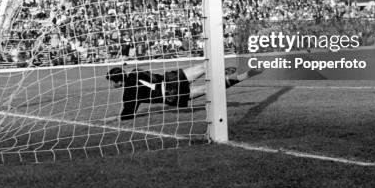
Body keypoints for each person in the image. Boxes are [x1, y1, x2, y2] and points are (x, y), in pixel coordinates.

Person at [106, 63, 263, 121]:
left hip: (170, 97)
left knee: (210, 90)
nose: (112, 85)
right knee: (203, 67)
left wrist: (111, 119)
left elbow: (127, 115)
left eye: (112, 82)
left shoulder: (128, 94)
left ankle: (244, 76)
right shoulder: (135, 72)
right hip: (171, 80)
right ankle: (224, 69)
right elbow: (152, 78)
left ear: (118, 81)